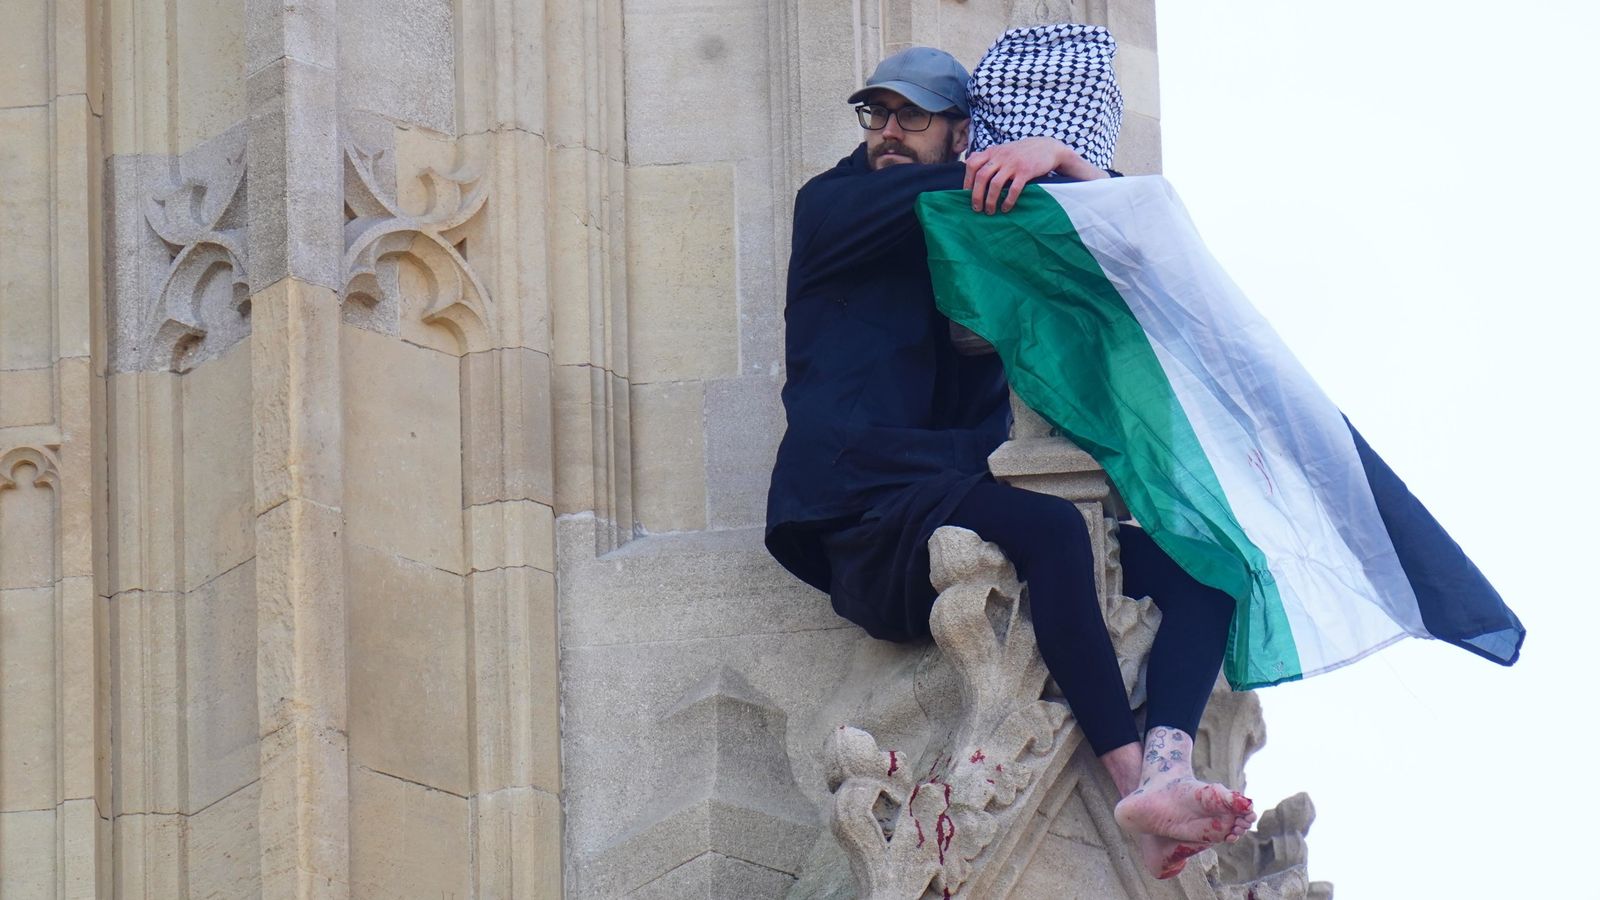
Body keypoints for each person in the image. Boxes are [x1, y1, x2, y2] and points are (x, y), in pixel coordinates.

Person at [763, 43, 1256, 879]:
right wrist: (1049, 161)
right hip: (863, 507)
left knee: (1208, 568)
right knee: (1054, 531)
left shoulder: (979, 237)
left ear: (961, 130)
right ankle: (1132, 782)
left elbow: (1135, 241)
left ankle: (1171, 759)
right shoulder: (839, 204)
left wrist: (1057, 158)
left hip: (953, 490)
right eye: (876, 113)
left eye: (911, 116)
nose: (887, 131)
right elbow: (1012, 199)